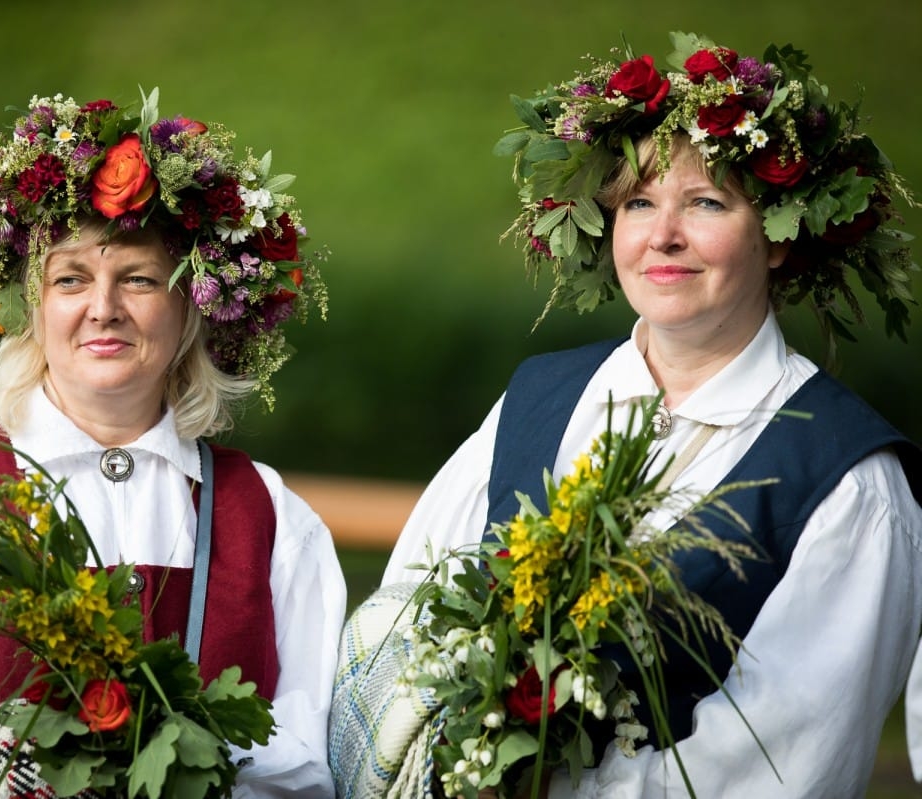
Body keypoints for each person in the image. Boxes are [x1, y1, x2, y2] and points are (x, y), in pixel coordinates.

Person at [339, 32, 922, 798]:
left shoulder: (848, 480)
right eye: (639, 202)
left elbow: (781, 767)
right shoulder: (539, 396)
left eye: (706, 202)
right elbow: (404, 622)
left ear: (778, 239)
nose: (662, 236)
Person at [0, 89, 345, 798]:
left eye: (139, 279)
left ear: (190, 308)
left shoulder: (266, 513)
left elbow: (312, 771)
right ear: (32, 307)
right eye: (71, 279)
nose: (103, 308)